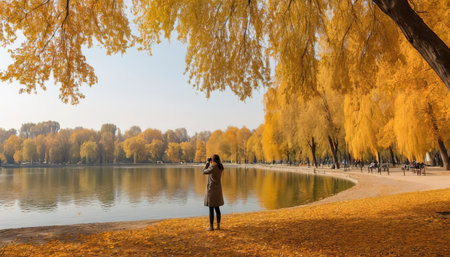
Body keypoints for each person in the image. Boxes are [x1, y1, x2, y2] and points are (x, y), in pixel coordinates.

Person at [203, 154, 224, 231]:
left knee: (211, 208)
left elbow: (204, 171)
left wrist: (207, 163)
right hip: (218, 190)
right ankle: (218, 226)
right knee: (217, 208)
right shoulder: (220, 167)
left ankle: (211, 227)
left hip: (211, 190)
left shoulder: (212, 167)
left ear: (213, 160)